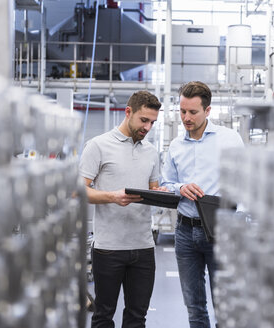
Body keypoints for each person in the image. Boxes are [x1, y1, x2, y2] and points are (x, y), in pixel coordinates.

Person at [161, 81, 244, 328]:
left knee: (225, 305)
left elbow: (246, 181)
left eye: (193, 112)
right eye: (182, 111)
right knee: (194, 306)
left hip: (220, 230)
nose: (186, 118)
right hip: (185, 232)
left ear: (208, 111)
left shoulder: (230, 140)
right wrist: (180, 188)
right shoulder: (175, 146)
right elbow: (166, 184)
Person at [79, 90, 165, 328]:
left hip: (144, 248)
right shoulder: (97, 146)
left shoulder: (151, 152)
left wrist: (163, 195)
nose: (147, 127)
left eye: (152, 123)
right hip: (109, 249)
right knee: (104, 316)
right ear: (128, 112)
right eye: (144, 120)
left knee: (137, 318)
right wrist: (112, 197)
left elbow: (153, 189)